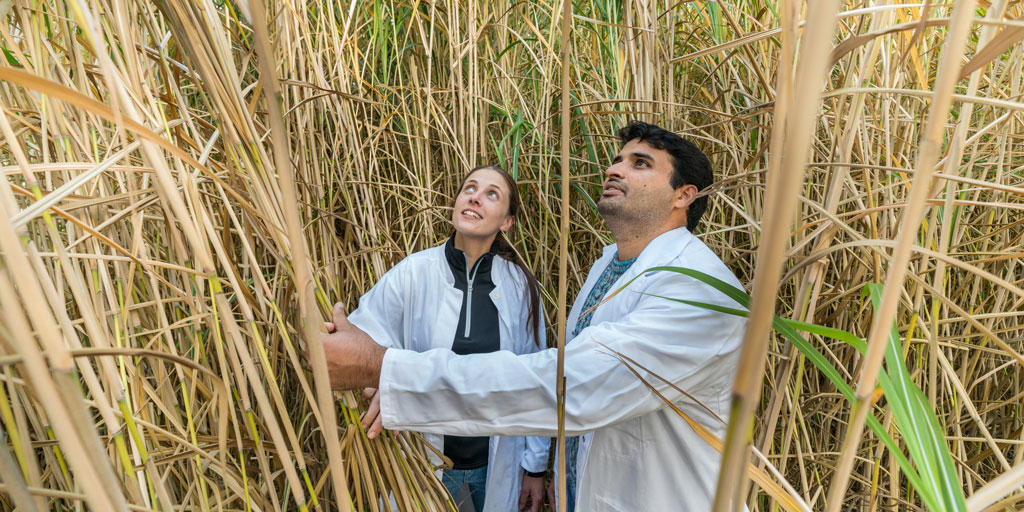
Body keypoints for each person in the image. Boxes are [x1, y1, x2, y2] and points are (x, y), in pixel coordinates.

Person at [322, 121, 747, 511]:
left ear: (683, 195)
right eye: (618, 159)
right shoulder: (608, 268)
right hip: (444, 462)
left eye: (640, 164)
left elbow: (569, 387)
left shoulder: (699, 289)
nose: (616, 169)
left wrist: (386, 370)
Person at [337, 165, 550, 511]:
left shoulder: (520, 287)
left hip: (495, 465)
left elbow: (536, 378)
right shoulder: (413, 273)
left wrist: (535, 467)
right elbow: (360, 340)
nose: (475, 197)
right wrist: (373, 381)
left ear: (507, 222)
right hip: (425, 464)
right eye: (469, 188)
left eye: (491, 194)